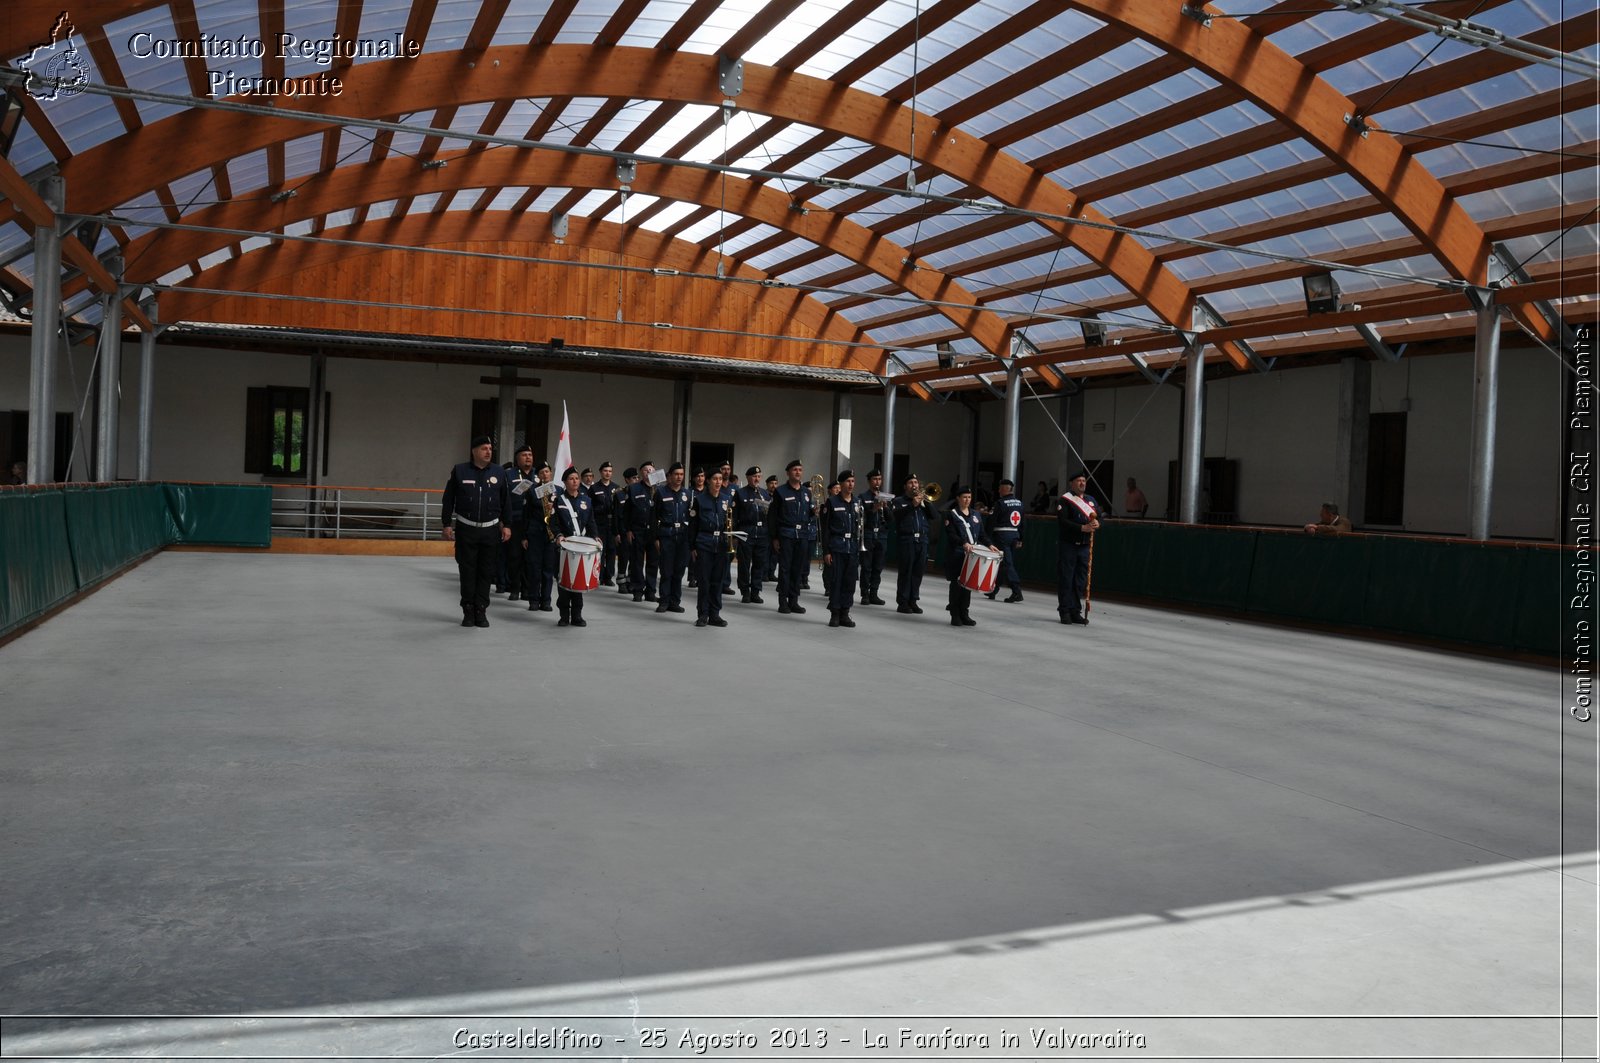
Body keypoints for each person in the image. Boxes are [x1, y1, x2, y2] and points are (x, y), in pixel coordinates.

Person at [441, 435, 511, 628]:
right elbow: (448, 499)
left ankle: (481, 609)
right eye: (484, 448)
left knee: (486, 572)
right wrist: (446, 523)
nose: (488, 451)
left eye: (490, 448)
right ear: (474, 451)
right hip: (466, 530)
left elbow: (506, 501)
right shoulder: (460, 471)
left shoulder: (498, 472)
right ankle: (468, 610)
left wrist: (507, 525)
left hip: (490, 531)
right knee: (467, 571)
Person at [549, 466, 598, 628]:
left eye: (577, 478)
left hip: (581, 546)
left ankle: (577, 615)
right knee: (564, 583)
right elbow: (553, 522)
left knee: (578, 584)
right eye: (571, 479)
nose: (575, 481)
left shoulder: (586, 500)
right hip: (564, 547)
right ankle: (564, 615)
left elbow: (591, 522)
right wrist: (558, 536)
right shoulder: (559, 500)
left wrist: (595, 536)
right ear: (564, 482)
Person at [769, 460, 815, 615]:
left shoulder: (806, 492)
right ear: (788, 473)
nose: (798, 472)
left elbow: (808, 514)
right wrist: (774, 538)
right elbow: (773, 516)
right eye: (795, 469)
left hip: (802, 535)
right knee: (785, 568)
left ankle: (794, 601)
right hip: (786, 534)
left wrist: (815, 513)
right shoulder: (781, 491)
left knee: (798, 568)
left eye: (800, 469)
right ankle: (783, 601)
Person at [1057, 471, 1101, 625]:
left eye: (1084, 480)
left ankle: (1076, 610)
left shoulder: (1091, 501)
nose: (1082, 483)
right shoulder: (1065, 500)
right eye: (1079, 481)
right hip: (1069, 545)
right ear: (1072, 483)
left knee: (1080, 580)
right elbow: (1063, 521)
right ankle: (1065, 611)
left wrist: (1097, 524)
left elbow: (1099, 516)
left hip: (1084, 546)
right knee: (1066, 578)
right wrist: (1082, 528)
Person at [821, 470, 864, 628]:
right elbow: (826, 529)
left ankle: (845, 612)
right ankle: (835, 613)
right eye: (848, 481)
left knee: (849, 582)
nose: (851, 484)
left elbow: (860, 525)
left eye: (853, 481)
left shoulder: (857, 502)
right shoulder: (832, 502)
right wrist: (826, 551)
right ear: (840, 484)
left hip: (852, 547)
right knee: (836, 581)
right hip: (837, 546)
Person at [889, 473, 937, 614]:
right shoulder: (899, 501)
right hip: (907, 540)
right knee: (906, 571)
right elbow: (895, 516)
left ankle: (913, 600)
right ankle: (903, 602)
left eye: (916, 482)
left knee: (918, 572)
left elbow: (935, 516)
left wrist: (926, 503)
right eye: (911, 483)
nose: (914, 485)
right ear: (905, 486)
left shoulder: (924, 502)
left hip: (922, 540)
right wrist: (912, 505)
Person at [691, 469, 732, 627]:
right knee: (704, 581)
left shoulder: (727, 499)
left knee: (718, 581)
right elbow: (693, 525)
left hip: (721, 544)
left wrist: (730, 543)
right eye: (715, 479)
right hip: (704, 542)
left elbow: (730, 522)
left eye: (720, 479)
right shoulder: (700, 500)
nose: (718, 482)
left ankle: (715, 614)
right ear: (708, 481)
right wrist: (693, 546)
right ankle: (703, 614)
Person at [944, 484, 989, 627]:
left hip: (971, 554)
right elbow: (951, 534)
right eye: (964, 497)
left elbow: (982, 534)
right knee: (957, 584)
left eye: (969, 497)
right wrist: (963, 543)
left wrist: (990, 545)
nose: (967, 500)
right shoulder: (951, 514)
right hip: (958, 553)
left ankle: (965, 613)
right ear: (958, 498)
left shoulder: (976, 514)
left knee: (967, 585)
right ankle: (955, 614)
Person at [653, 462, 692, 614]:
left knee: (679, 571)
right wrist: (656, 538)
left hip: (682, 536)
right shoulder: (661, 493)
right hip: (666, 535)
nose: (679, 477)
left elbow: (690, 516)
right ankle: (664, 601)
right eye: (676, 474)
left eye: (681, 474)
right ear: (669, 476)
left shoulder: (687, 494)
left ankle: (675, 602)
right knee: (666, 570)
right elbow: (654, 516)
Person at [504, 444, 537, 601]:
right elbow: (503, 498)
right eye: (524, 455)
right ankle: (515, 588)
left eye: (530, 455)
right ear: (517, 458)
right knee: (515, 556)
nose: (528, 457)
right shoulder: (509, 474)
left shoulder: (538, 475)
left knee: (530, 557)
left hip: (534, 522)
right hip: (516, 520)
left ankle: (527, 589)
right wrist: (504, 522)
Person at [985, 477, 1026, 603]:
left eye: (999, 488)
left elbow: (991, 522)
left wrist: (986, 538)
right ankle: (994, 590)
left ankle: (1016, 591)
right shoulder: (1020, 503)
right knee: (1003, 564)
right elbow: (1023, 523)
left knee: (1007, 564)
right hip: (1014, 536)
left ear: (1003, 489)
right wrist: (1021, 538)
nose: (998, 490)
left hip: (1002, 536)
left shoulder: (1000, 503)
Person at [623, 461, 658, 602]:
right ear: (641, 473)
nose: (649, 472)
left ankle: (650, 591)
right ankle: (637, 589)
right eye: (645, 470)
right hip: (638, 530)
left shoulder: (659, 490)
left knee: (653, 562)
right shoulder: (634, 489)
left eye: (651, 470)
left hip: (654, 532)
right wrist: (628, 530)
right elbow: (626, 513)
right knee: (637, 561)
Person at [734, 466, 770, 604]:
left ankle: (756, 591)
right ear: (748, 477)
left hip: (762, 533)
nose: (757, 479)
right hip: (746, 532)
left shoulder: (764, 494)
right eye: (754, 476)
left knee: (759, 564)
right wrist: (736, 535)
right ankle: (745, 591)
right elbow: (735, 515)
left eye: (759, 476)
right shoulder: (741, 493)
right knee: (744, 564)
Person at [525, 460, 558, 612]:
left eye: (547, 471)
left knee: (548, 570)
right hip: (535, 533)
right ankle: (533, 599)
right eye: (541, 472)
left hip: (551, 535)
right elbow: (527, 514)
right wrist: (524, 536)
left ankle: (546, 600)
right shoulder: (533, 491)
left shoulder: (558, 491)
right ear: (538, 476)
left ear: (550, 473)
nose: (545, 474)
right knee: (534, 568)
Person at [587, 461, 623, 587]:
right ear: (601, 472)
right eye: (605, 471)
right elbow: (589, 507)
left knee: (612, 551)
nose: (608, 473)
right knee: (600, 551)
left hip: (612, 523)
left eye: (610, 471)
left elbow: (619, 508)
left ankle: (609, 576)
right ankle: (599, 575)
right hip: (599, 523)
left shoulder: (617, 487)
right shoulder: (594, 488)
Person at [858, 468, 890, 606]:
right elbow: (860, 518)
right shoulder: (863, 497)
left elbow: (891, 519)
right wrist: (874, 509)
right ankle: (864, 594)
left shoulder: (885, 496)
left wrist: (886, 508)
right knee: (867, 566)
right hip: (869, 534)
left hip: (881, 535)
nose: (878, 482)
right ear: (869, 481)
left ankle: (874, 593)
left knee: (878, 566)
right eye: (875, 479)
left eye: (879, 479)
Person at [687, 467, 707, 587]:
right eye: (698, 476)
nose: (700, 479)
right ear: (694, 478)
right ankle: (692, 575)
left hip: (704, 524)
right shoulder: (690, 492)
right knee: (693, 550)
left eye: (702, 476)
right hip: (692, 524)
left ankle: (701, 576)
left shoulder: (707, 491)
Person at [764, 474, 781, 582]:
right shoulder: (763, 495)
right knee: (766, 552)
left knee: (775, 552)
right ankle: (764, 573)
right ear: (767, 484)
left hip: (776, 527)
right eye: (771, 483)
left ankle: (771, 572)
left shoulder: (779, 496)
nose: (773, 486)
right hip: (765, 526)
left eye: (775, 483)